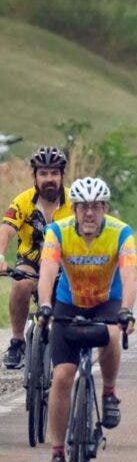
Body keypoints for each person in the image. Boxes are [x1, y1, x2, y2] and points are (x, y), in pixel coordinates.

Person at [36, 177, 136, 462]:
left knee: (113, 334)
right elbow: (48, 271)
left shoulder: (121, 233)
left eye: (95, 207)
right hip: (68, 303)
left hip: (108, 301)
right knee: (62, 377)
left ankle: (108, 393)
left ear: (105, 208)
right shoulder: (57, 231)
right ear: (74, 209)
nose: (89, 214)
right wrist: (44, 304)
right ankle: (56, 454)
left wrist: (127, 310)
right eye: (82, 208)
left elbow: (129, 275)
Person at [1, 147, 72, 369]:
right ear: (34, 176)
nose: (49, 179)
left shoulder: (74, 202)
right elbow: (7, 229)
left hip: (65, 265)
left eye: (54, 173)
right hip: (31, 262)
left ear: (62, 175)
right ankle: (17, 341)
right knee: (22, 284)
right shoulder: (23, 201)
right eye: (43, 174)